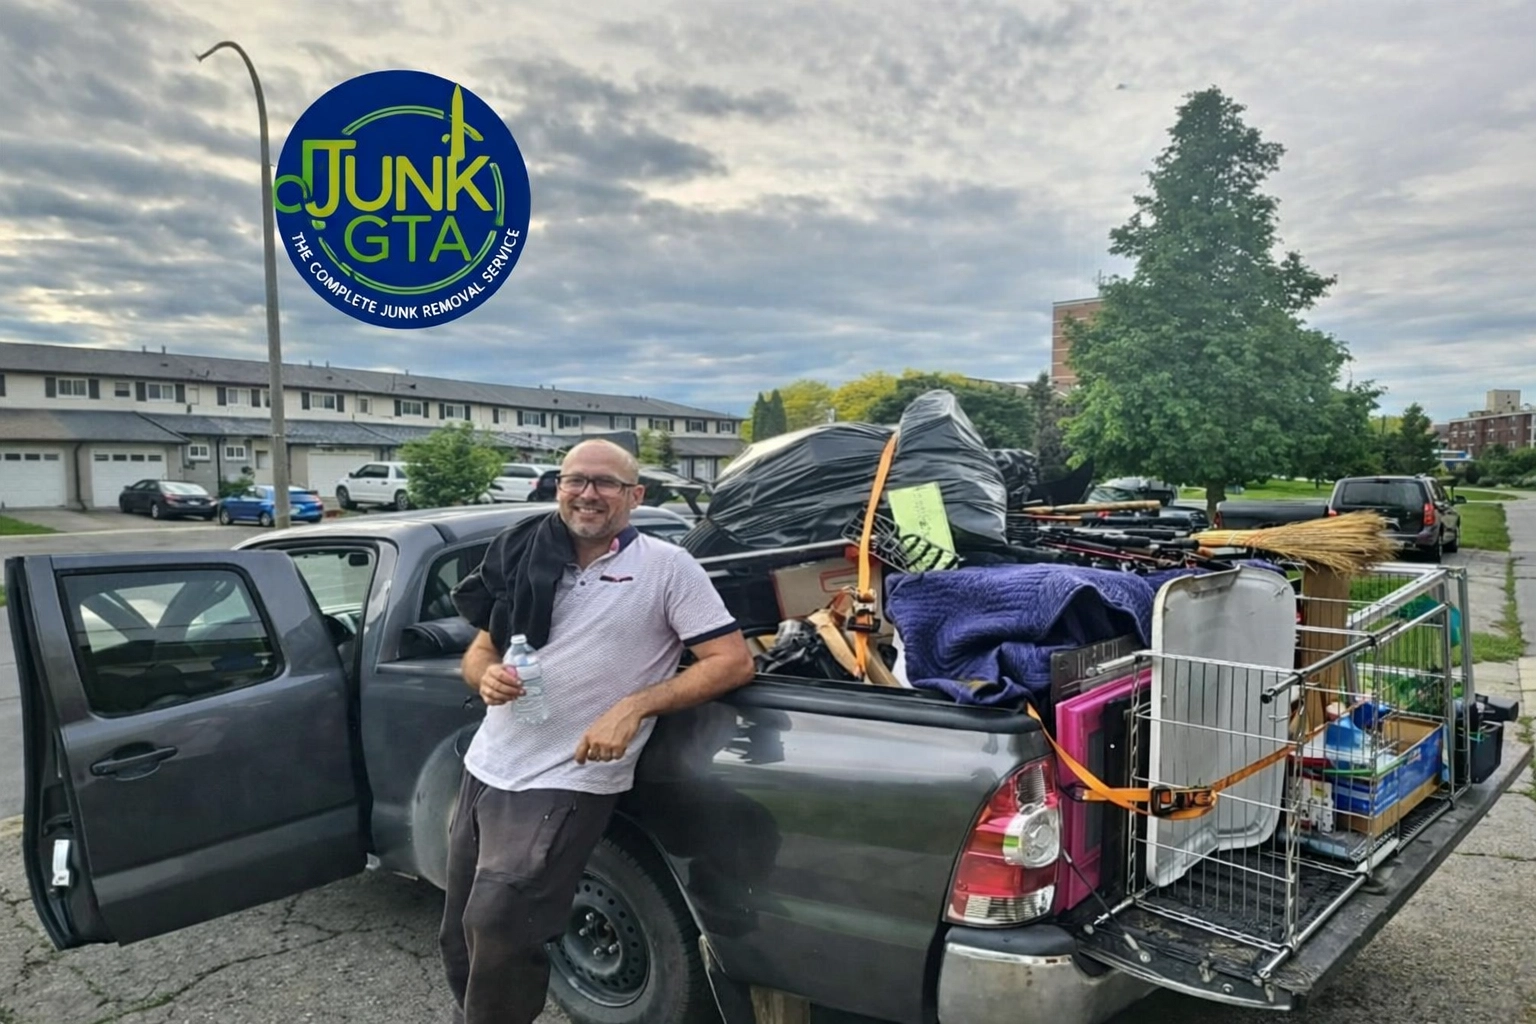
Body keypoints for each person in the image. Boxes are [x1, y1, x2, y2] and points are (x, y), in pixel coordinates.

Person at [440, 438, 754, 1024]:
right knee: (461, 931)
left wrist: (633, 707)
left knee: (501, 922)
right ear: (557, 487)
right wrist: (485, 679)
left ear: (634, 495)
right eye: (575, 479)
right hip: (488, 766)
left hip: (571, 776)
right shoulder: (524, 555)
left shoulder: (667, 569)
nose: (588, 493)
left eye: (606, 483)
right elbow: (478, 651)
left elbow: (731, 661)